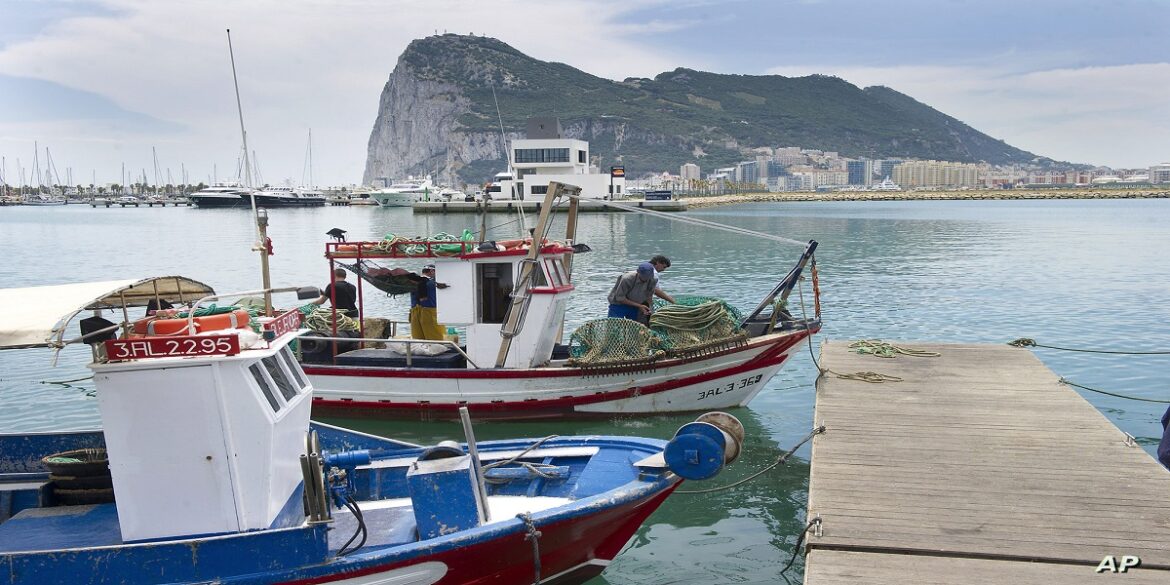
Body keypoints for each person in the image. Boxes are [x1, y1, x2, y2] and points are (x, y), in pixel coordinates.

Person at [409, 264, 448, 340]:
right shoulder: (432, 283)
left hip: (415, 313)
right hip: (430, 313)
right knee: (437, 341)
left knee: (419, 341)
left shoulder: (415, 282)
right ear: (432, 271)